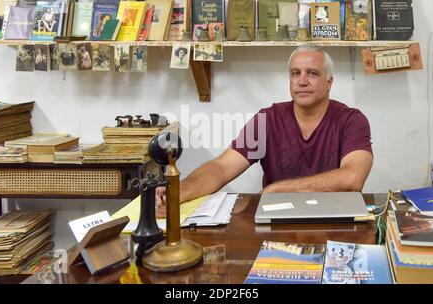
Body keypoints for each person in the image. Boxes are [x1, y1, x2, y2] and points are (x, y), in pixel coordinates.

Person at [155, 44, 373, 217]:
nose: (302, 81)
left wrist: (278, 190)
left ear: (329, 82)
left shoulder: (351, 120)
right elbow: (222, 168)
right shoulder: (267, 119)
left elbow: (352, 178)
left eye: (312, 73)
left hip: (335, 218)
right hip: (277, 218)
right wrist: (180, 191)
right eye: (295, 73)